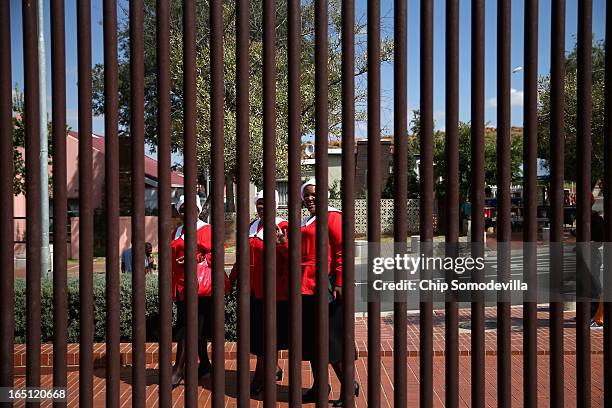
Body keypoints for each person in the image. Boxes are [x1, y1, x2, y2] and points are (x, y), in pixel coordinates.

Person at [299, 178, 358, 406]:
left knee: (332, 340)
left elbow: (345, 250)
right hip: (306, 286)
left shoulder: (334, 217)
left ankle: (348, 387)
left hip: (327, 286)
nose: (311, 198)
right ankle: (319, 386)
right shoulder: (307, 220)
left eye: (315, 194)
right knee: (314, 341)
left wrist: (341, 282)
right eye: (307, 195)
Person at [230, 190, 289, 396]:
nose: (262, 207)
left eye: (266, 203)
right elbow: (242, 255)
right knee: (258, 331)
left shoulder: (283, 226)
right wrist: (231, 280)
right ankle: (273, 368)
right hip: (252, 290)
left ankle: (261, 375)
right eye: (259, 203)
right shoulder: (251, 226)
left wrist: (282, 243)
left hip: (274, 290)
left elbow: (291, 256)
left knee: (269, 332)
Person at [170, 194, 214, 387]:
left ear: (197, 209)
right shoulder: (177, 231)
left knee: (188, 327)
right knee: (195, 329)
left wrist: (193, 259)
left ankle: (178, 369)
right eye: (182, 208)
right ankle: (204, 364)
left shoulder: (205, 229)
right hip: (181, 286)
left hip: (199, 287)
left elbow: (215, 254)